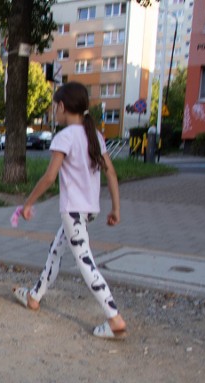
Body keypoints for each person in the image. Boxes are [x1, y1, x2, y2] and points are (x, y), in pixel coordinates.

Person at [12, 82, 127, 340]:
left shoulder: (64, 137)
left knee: (85, 262)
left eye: (55, 107)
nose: (55, 111)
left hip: (73, 211)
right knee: (56, 249)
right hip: (88, 210)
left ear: (62, 107)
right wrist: (116, 208)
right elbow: (111, 173)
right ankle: (34, 296)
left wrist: (28, 203)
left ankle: (114, 317)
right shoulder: (94, 135)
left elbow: (49, 177)